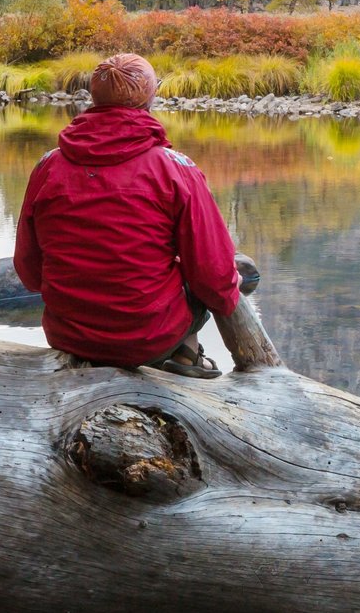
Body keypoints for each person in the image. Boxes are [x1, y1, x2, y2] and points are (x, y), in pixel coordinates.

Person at [13, 51, 243, 377]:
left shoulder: (48, 165)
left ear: (94, 97)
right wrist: (234, 288)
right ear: (150, 98)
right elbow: (214, 276)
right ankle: (187, 356)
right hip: (149, 339)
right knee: (196, 270)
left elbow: (29, 272)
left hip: (67, 337)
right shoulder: (176, 170)